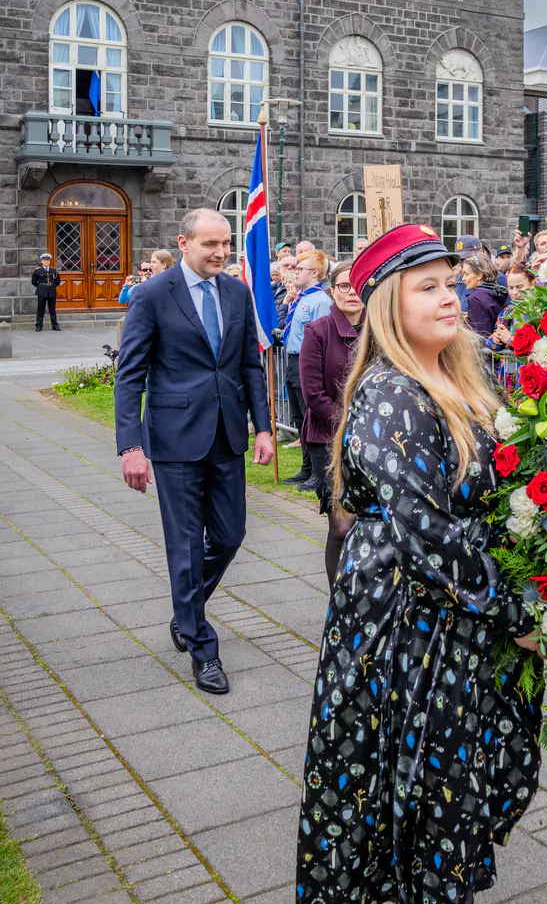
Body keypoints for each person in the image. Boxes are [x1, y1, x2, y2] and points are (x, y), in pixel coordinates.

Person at [296, 224, 540, 904]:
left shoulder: (462, 375)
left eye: (450, 282)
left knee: (465, 780)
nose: (448, 296)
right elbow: (428, 533)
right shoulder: (391, 393)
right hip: (409, 625)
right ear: (386, 305)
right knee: (441, 791)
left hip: (460, 615)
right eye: (426, 286)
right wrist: (514, 610)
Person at [114, 209, 274, 694]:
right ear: (184, 243)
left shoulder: (237, 292)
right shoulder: (151, 295)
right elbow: (130, 375)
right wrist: (131, 446)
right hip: (174, 439)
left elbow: (249, 366)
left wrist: (264, 428)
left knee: (229, 535)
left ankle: (186, 611)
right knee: (184, 545)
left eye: (226, 243)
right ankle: (203, 648)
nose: (221, 252)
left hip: (227, 435)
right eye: (210, 244)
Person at [297, 261, 363, 579]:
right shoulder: (318, 331)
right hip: (329, 438)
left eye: (357, 284)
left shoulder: (379, 330)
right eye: (343, 286)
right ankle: (338, 598)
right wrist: (349, 425)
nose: (351, 292)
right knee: (341, 525)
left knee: (368, 523)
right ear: (332, 290)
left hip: (375, 438)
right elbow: (313, 394)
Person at [282, 250, 332, 486]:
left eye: (299, 269)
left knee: (311, 418)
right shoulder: (301, 298)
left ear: (314, 273)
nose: (295, 273)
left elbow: (322, 339)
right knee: (299, 418)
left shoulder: (320, 301)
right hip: (293, 360)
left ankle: (318, 472)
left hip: (307, 361)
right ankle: (307, 467)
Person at [461, 250, 507, 340]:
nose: (463, 279)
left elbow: (480, 336)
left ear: (479, 275)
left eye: (466, 274)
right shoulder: (494, 291)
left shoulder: (476, 299)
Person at [31, 252, 61, 332]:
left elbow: (58, 281)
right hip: (42, 292)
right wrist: (41, 287)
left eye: (48, 260)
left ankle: (55, 325)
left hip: (51, 291)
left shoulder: (54, 270)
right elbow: (33, 281)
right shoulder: (37, 270)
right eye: (44, 260)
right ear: (41, 261)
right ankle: (39, 326)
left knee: (52, 310)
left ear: (49, 261)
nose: (46, 262)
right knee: (40, 310)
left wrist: (51, 286)